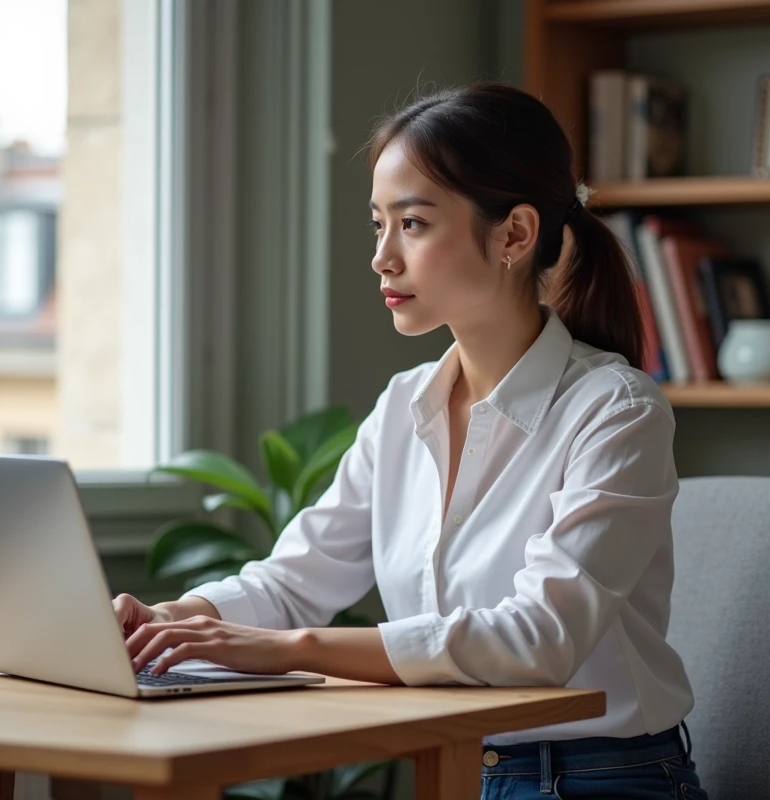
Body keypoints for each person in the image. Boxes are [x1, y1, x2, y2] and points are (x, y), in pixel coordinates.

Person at [114, 82, 707, 799]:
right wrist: (175, 620)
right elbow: (295, 579)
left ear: (515, 235)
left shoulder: (616, 410)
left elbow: (538, 639)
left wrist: (286, 650)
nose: (382, 257)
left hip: (598, 781)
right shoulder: (404, 406)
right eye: (378, 225)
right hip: (448, 767)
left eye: (414, 224)